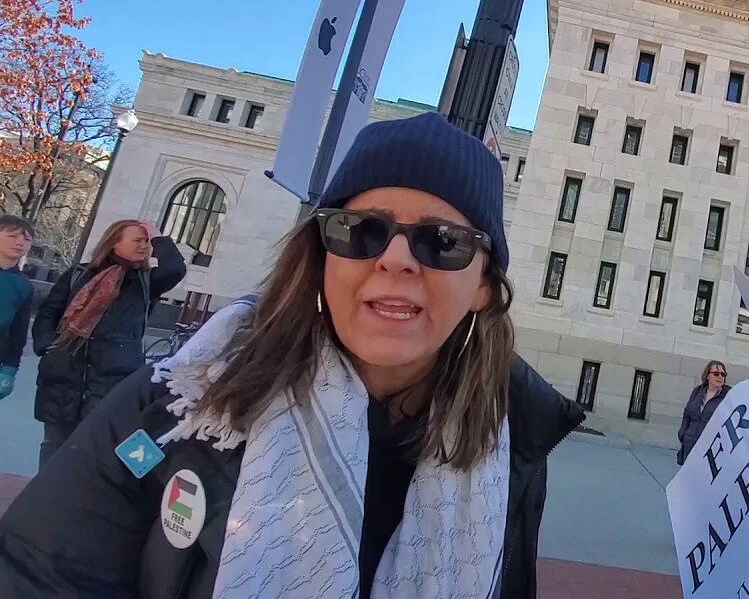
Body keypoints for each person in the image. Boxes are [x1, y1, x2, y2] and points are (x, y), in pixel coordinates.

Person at [0, 112, 586, 599]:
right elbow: (39, 574)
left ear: (485, 286)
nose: (397, 260)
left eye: (444, 242)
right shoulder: (179, 400)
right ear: (321, 255)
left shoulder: (513, 439)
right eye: (360, 230)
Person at [30, 219, 186, 464]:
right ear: (114, 243)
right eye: (137, 240)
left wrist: (158, 237)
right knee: (54, 446)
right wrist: (47, 345)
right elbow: (50, 312)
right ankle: (44, 500)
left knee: (96, 449)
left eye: (146, 242)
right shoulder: (80, 275)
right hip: (65, 374)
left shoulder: (145, 282)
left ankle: (80, 501)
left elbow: (175, 269)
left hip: (112, 377)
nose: (144, 246)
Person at [0, 215, 35, 403]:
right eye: (13, 236)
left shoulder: (24, 286)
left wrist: (9, 369)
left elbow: (18, 332)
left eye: (26, 238)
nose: (20, 242)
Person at [677, 360, 731, 465]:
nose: (720, 376)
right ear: (707, 376)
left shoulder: (728, 396)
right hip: (689, 443)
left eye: (723, 374)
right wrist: (682, 433)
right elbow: (687, 414)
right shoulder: (698, 391)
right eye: (716, 373)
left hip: (709, 448)